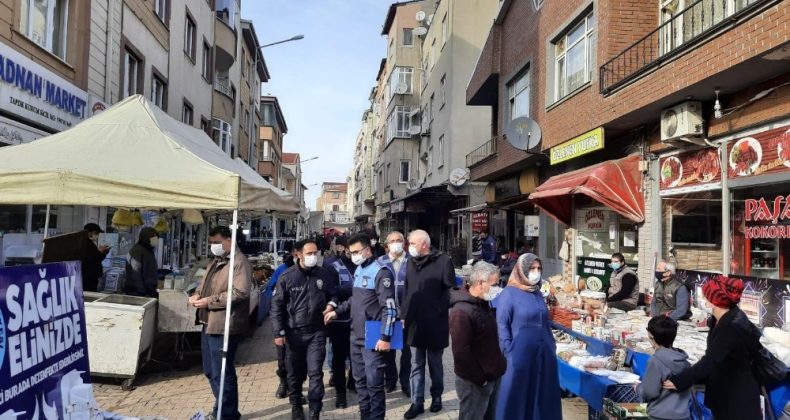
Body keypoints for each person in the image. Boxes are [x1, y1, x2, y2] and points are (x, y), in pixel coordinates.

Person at [664, 275, 762, 420]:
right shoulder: (721, 318)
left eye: (706, 296)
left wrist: (679, 381)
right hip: (725, 389)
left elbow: (710, 361)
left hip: (736, 397)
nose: (703, 299)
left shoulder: (730, 326)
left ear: (713, 300)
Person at [324, 234, 397, 420]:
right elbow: (354, 300)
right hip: (355, 335)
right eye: (351, 252)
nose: (354, 255)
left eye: (357, 251)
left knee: (374, 384)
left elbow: (389, 307)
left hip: (373, 335)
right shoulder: (359, 270)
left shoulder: (381, 272)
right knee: (360, 382)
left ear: (367, 250)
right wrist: (337, 311)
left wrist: (385, 337)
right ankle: (365, 415)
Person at [189, 226, 252, 420]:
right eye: (211, 243)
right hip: (208, 322)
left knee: (222, 373)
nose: (213, 246)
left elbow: (240, 292)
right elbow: (204, 283)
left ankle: (226, 414)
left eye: (217, 242)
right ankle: (225, 409)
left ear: (229, 241)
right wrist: (197, 294)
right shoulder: (216, 260)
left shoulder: (239, 262)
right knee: (210, 371)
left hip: (224, 324)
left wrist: (209, 301)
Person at [270, 239, 336, 420]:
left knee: (315, 372)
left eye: (315, 253)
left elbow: (334, 293)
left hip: (317, 332)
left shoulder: (323, 274)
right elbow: (276, 307)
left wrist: (331, 304)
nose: (313, 257)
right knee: (295, 373)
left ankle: (315, 409)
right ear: (298, 254)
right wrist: (278, 332)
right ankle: (296, 406)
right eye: (309, 253)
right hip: (294, 333)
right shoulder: (287, 277)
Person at [495, 253, 562, 420]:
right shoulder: (508, 294)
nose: (536, 272)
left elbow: (545, 321)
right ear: (522, 270)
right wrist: (509, 352)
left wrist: (552, 346)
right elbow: (502, 325)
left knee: (542, 396)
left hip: (543, 354)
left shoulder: (537, 293)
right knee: (517, 397)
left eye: (539, 268)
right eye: (532, 268)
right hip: (520, 356)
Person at [401, 229, 455, 419]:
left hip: (435, 323)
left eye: (412, 244)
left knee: (435, 364)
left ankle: (437, 397)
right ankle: (417, 402)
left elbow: (449, 291)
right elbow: (407, 291)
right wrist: (403, 315)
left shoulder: (443, 260)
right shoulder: (409, 262)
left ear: (424, 244)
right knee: (416, 364)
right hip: (414, 323)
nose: (409, 247)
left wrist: (436, 311)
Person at [449, 262, 507, 420]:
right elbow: (461, 353)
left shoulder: (482, 303)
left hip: (491, 375)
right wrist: (480, 380)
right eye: (494, 284)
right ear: (481, 283)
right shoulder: (461, 311)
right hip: (475, 382)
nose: (497, 288)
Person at [321, 235, 355, 408]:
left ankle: (353, 381)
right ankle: (340, 393)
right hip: (339, 320)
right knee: (339, 357)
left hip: (361, 319)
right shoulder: (333, 267)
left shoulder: (368, 266)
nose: (354, 253)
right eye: (351, 249)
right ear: (345, 248)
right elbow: (331, 290)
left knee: (358, 356)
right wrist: (353, 290)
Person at [637, 315, 692, 420]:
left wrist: (639, 388)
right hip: (682, 415)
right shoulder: (684, 360)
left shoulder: (656, 360)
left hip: (659, 415)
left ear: (651, 336)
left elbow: (650, 392)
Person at [378, 231, 412, 397]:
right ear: (387, 244)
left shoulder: (412, 260)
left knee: (407, 352)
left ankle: (406, 382)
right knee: (388, 350)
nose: (396, 243)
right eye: (392, 241)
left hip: (408, 315)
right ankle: (390, 380)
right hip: (388, 315)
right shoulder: (380, 262)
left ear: (404, 243)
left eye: (399, 240)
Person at [261, 249, 296, 399]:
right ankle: (283, 382)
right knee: (282, 357)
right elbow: (270, 289)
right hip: (283, 322)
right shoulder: (283, 270)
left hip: (302, 324)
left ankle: (296, 388)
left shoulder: (312, 272)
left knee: (298, 359)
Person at [124, 227, 159, 297]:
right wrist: (143, 292)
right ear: (146, 238)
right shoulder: (137, 251)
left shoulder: (148, 250)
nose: (156, 241)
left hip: (147, 291)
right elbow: (135, 273)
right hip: (137, 293)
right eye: (153, 238)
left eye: (157, 238)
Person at [82, 223, 110, 292]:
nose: (97, 235)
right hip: (87, 278)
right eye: (96, 233)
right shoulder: (85, 244)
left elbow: (97, 259)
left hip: (91, 277)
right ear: (89, 232)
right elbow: (91, 260)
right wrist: (100, 252)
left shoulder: (90, 244)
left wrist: (102, 253)